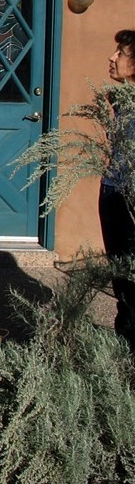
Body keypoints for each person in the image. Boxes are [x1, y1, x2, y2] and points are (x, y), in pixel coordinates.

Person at [102, 28, 135, 349]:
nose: (113, 58)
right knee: (120, 273)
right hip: (112, 191)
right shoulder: (120, 100)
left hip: (129, 197)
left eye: (121, 54)